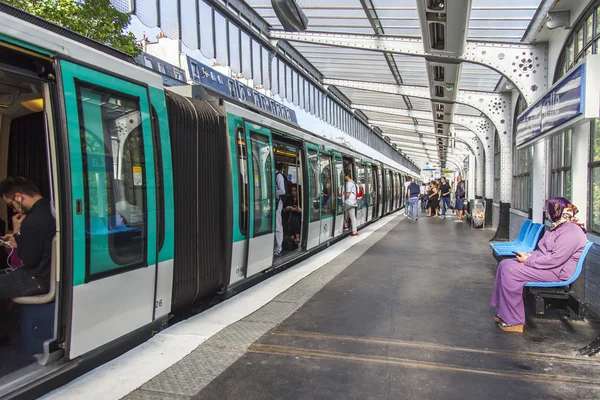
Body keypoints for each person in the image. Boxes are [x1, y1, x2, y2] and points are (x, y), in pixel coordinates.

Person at [490, 198, 587, 333]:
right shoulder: (559, 226)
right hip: (547, 265)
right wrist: (529, 256)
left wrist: (528, 261)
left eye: (548, 210)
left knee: (511, 271)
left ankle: (515, 321)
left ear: (557, 211)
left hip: (556, 271)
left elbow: (555, 260)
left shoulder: (571, 232)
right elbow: (543, 251)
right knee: (504, 264)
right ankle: (504, 313)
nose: (546, 213)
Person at [0, 177, 56, 344]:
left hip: (38, 279)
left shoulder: (32, 221)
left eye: (11, 204)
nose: (13, 209)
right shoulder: (49, 208)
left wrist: (17, 232)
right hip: (45, 273)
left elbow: (29, 261)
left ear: (19, 197)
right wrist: (20, 239)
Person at [274, 164, 286, 256]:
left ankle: (279, 248)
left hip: (278, 203)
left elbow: (282, 191)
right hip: (273, 202)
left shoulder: (278, 176)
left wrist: (272, 192)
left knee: (278, 225)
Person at [344, 170, 358, 237]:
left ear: (347, 176)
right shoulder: (353, 182)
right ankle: (354, 232)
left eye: (344, 176)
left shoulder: (348, 183)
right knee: (352, 217)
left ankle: (346, 226)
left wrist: (344, 199)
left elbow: (347, 193)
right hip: (353, 201)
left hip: (349, 202)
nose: (344, 177)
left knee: (342, 212)